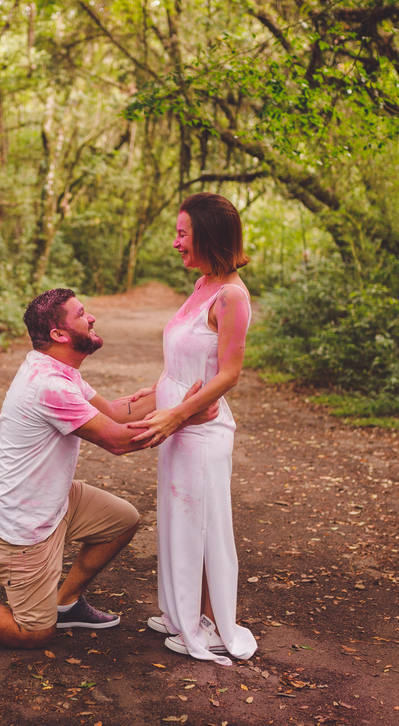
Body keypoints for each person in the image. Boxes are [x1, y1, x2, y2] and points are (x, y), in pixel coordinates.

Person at [0, 288, 216, 650]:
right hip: (22, 523)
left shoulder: (59, 369)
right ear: (59, 335)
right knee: (33, 633)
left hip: (55, 499)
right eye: (81, 314)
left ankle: (66, 603)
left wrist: (172, 392)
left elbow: (113, 411)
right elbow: (118, 440)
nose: (91, 317)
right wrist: (184, 416)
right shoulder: (48, 386)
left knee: (121, 520)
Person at [128, 192, 258, 664]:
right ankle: (184, 611)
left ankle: (209, 622)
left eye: (183, 233)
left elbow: (228, 373)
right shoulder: (202, 283)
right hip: (176, 425)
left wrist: (178, 412)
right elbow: (188, 356)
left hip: (200, 431)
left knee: (202, 528)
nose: (176, 242)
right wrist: (156, 393)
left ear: (208, 235)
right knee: (179, 523)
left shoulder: (232, 296)